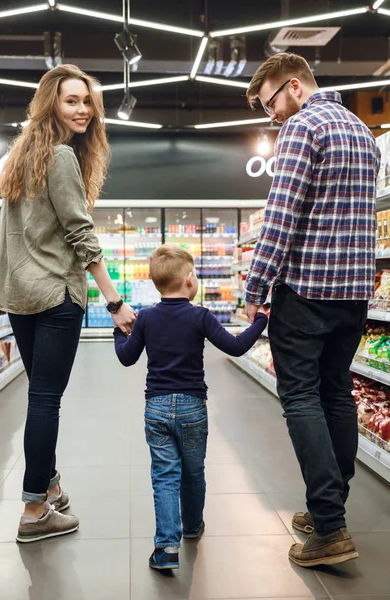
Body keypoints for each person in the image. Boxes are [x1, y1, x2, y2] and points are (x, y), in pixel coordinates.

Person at [244, 52, 381, 568]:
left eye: (270, 103)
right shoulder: (363, 133)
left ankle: (328, 527)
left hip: (306, 292)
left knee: (300, 397)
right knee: (337, 394)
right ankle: (331, 508)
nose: (271, 115)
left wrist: (256, 286)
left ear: (294, 87)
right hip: (352, 294)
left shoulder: (302, 128)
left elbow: (282, 216)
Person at [0, 64, 136, 543]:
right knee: (46, 399)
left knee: (39, 395)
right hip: (55, 294)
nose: (83, 110)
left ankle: (49, 485)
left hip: (19, 295)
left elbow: (11, 236)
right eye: (71, 100)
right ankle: (34, 511)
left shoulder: (19, 157)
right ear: (50, 103)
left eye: (87, 101)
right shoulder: (60, 157)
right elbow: (80, 234)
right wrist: (114, 301)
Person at [114, 244, 268, 570]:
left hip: (155, 408)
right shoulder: (200, 316)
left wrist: (118, 330)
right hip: (192, 408)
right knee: (193, 472)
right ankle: (193, 527)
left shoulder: (146, 318)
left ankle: (166, 548)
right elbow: (237, 346)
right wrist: (262, 320)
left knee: (164, 476)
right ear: (188, 280)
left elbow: (127, 357)